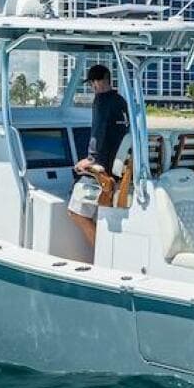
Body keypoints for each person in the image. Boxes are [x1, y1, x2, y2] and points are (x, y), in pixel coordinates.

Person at [68, 63, 129, 250]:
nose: (92, 86)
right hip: (119, 168)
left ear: (100, 81)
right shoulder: (120, 101)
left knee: (75, 213)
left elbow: (98, 133)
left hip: (102, 170)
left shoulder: (102, 101)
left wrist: (90, 160)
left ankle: (102, 254)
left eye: (92, 83)